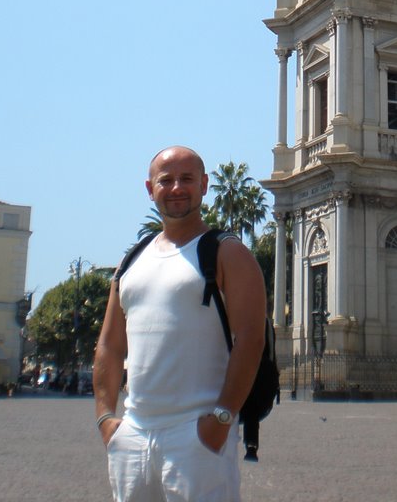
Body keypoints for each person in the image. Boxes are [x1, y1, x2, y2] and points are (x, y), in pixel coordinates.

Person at [93, 146, 267, 502]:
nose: (176, 188)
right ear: (149, 188)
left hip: (197, 438)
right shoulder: (131, 261)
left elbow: (251, 339)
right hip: (133, 436)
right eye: (166, 180)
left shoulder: (228, 252)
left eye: (187, 179)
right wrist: (107, 421)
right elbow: (110, 345)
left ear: (204, 185)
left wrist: (220, 421)